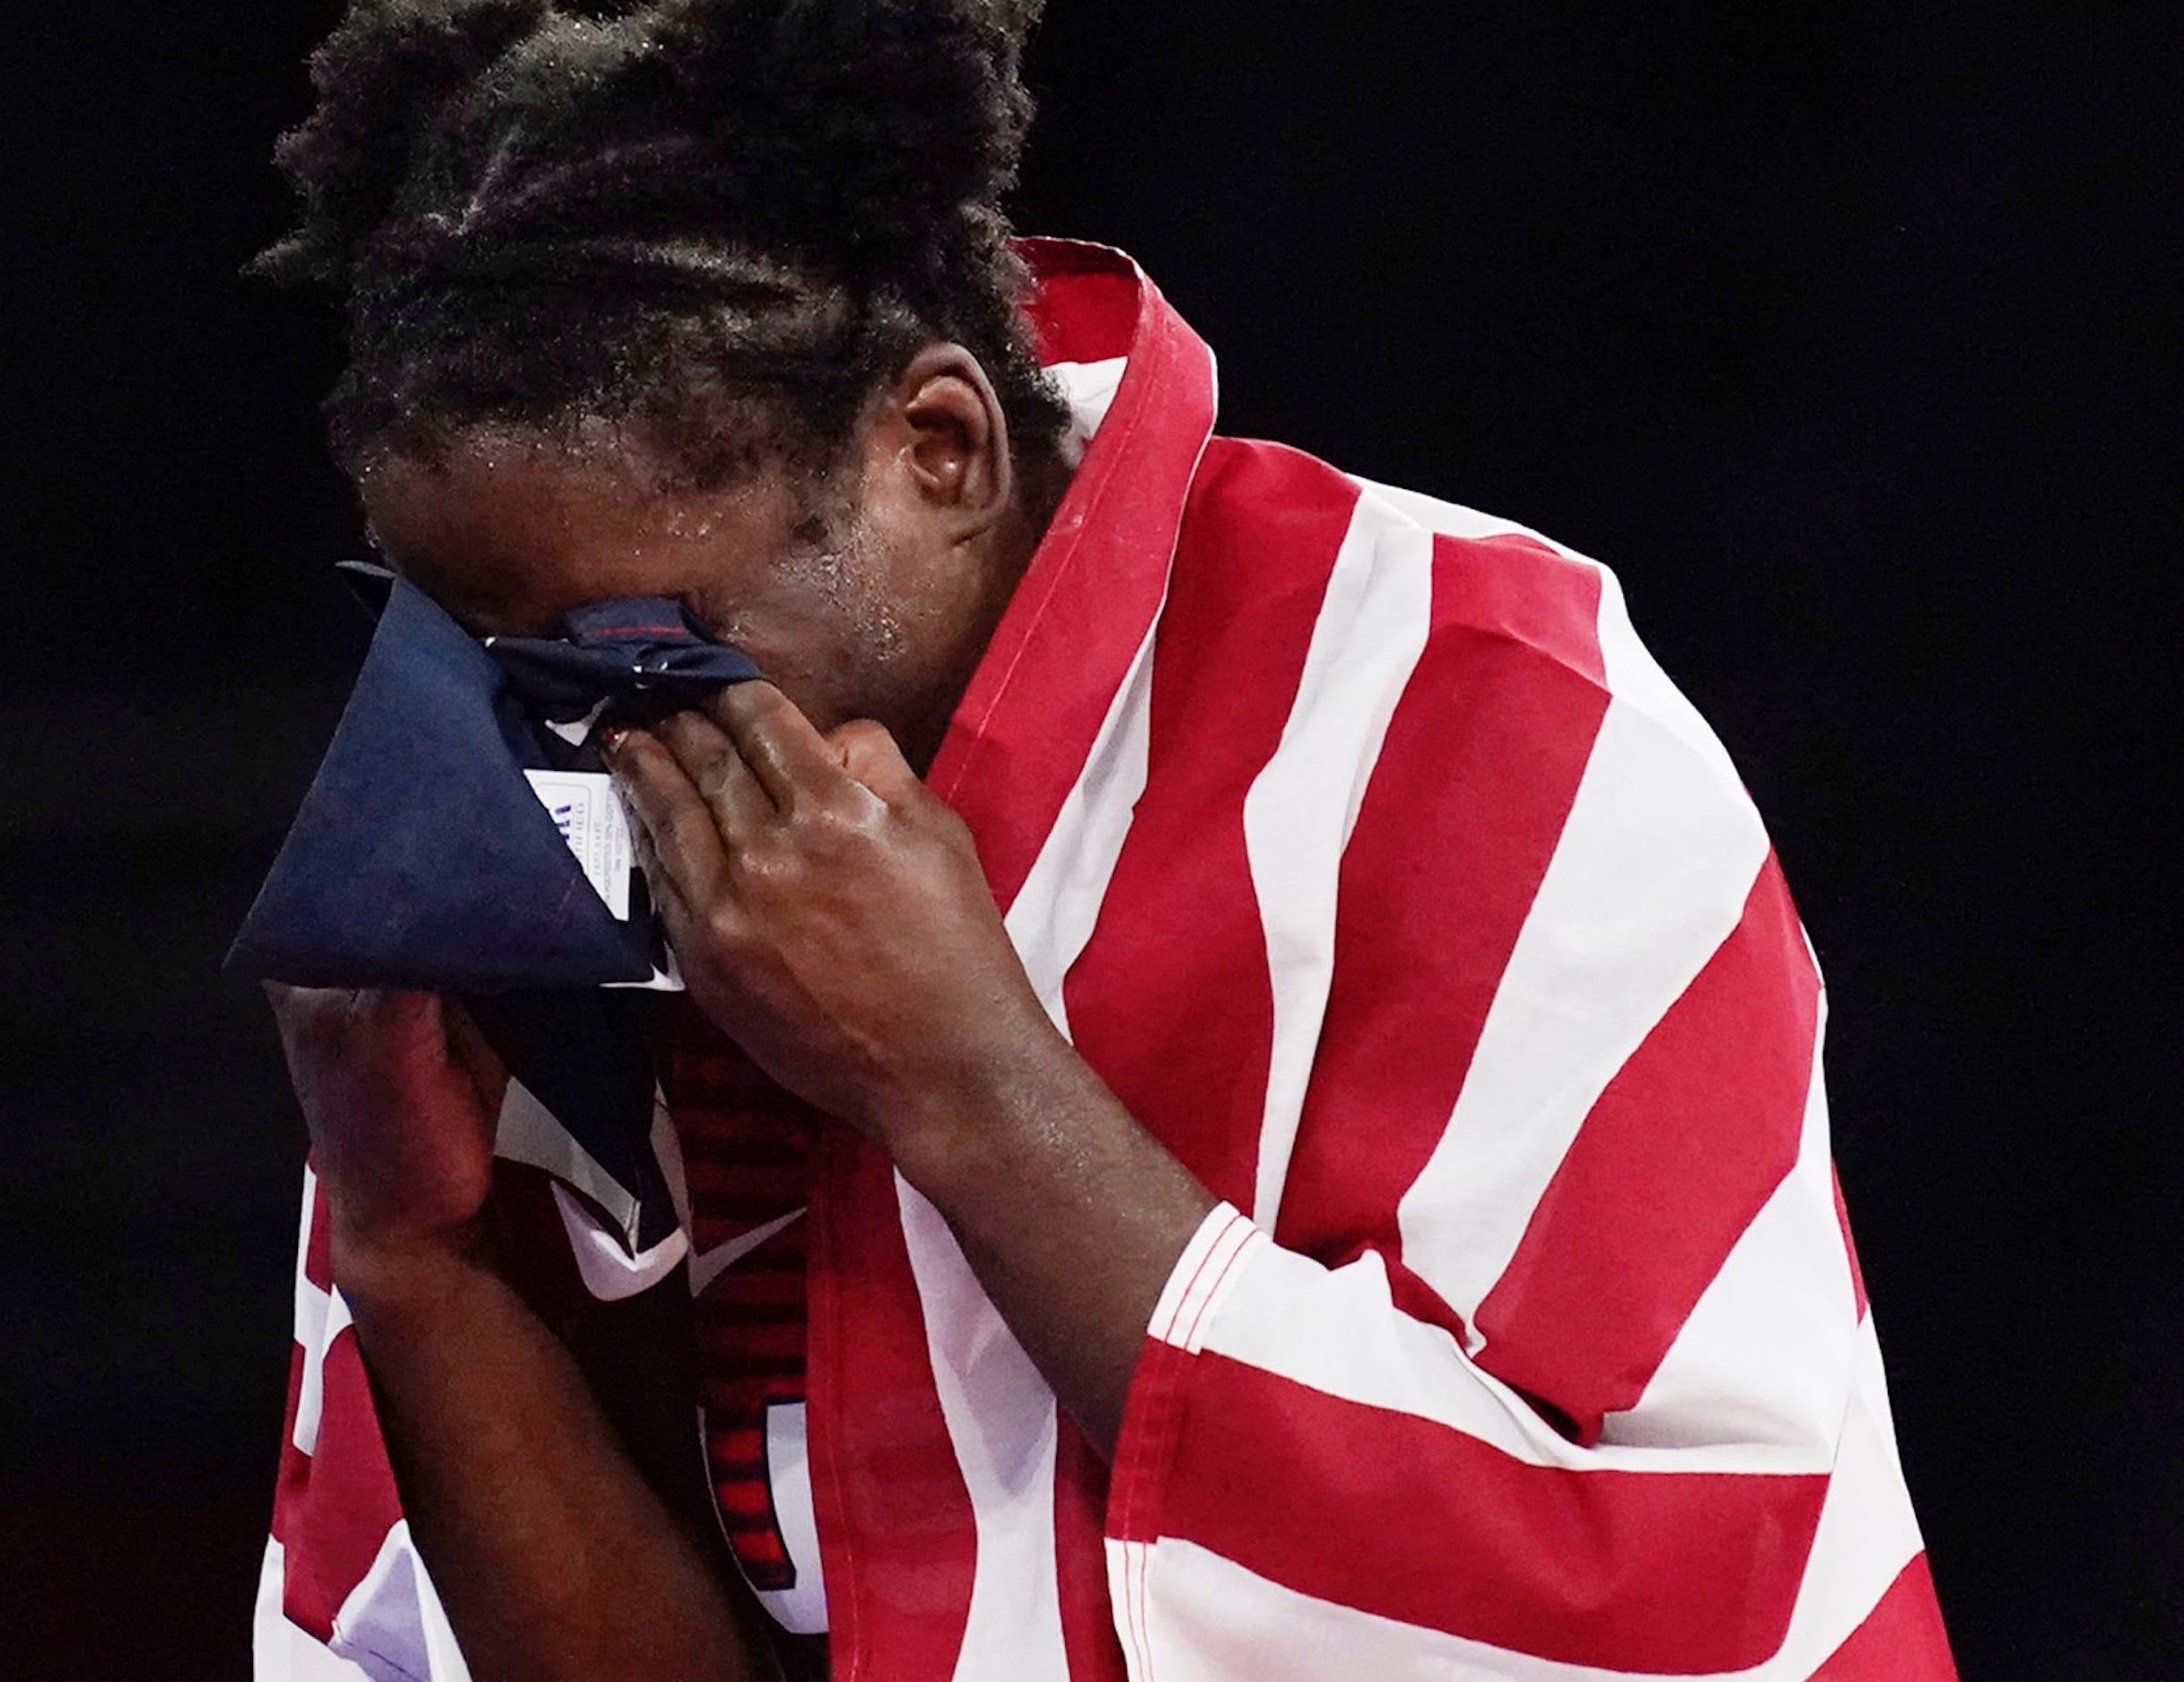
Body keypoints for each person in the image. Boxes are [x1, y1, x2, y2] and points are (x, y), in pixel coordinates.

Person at [252, 4, 1960, 1679]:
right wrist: (425, 1261)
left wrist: (970, 1085)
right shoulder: (523, 853)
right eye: (472, 658)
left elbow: (1692, 1600)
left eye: (636, 649)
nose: (584, 751)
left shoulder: (1477, 712)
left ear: (939, 448)